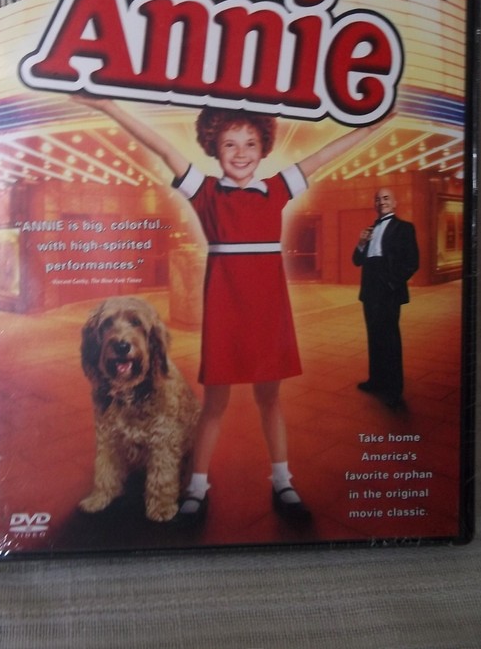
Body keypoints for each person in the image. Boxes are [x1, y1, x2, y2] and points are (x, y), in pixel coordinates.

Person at [78, 95, 361, 524]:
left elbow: (324, 155)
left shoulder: (277, 189)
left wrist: (370, 127)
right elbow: (163, 147)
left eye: (250, 143)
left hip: (268, 314)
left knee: (270, 400)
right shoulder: (205, 192)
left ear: (263, 148)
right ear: (214, 147)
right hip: (225, 314)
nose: (241, 153)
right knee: (214, 404)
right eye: (230, 144)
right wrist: (110, 108)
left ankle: (282, 481)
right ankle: (197, 487)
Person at [352, 188, 419, 410]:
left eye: (386, 198)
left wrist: (391, 284)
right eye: (378, 199)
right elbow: (357, 261)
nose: (382, 202)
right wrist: (361, 243)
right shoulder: (370, 230)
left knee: (390, 340)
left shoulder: (404, 228)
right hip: (369, 291)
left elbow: (412, 262)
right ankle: (376, 381)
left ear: (395, 202)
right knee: (374, 337)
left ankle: (393, 390)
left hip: (388, 290)